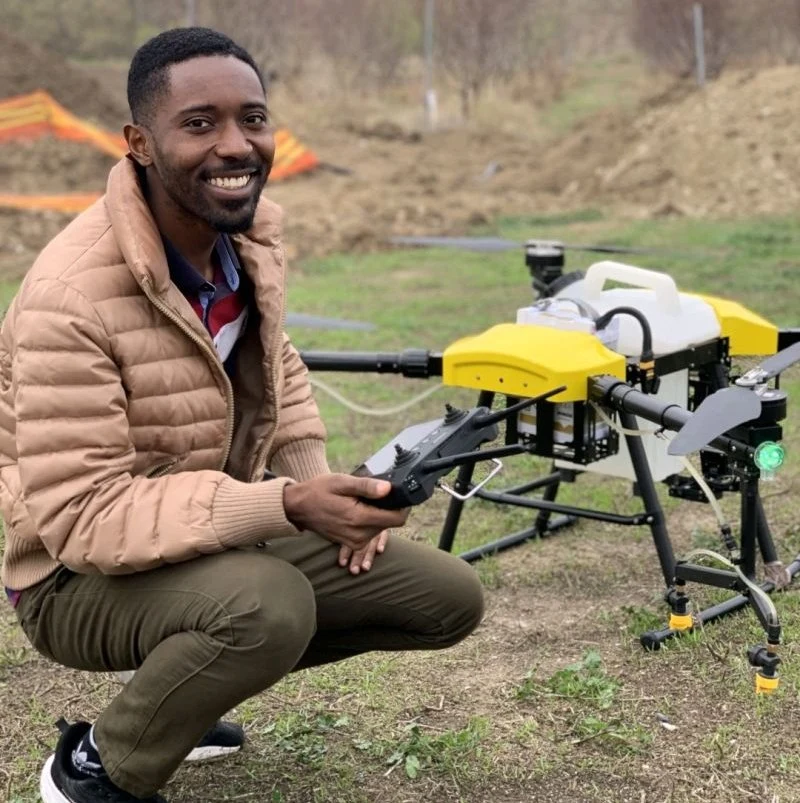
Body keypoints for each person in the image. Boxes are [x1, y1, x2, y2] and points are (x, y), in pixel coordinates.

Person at [0, 27, 484, 803]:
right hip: (68, 575)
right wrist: (285, 505)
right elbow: (82, 516)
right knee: (267, 607)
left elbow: (279, 373)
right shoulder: (70, 295)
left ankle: (178, 695)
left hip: (191, 540)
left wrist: (321, 494)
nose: (236, 145)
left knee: (444, 597)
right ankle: (95, 767)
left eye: (252, 119)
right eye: (199, 124)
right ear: (140, 142)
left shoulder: (245, 239)